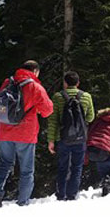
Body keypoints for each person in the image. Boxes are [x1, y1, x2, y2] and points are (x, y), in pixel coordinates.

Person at [0, 60, 53, 207]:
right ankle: (23, 202)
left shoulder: (8, 82)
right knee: (26, 170)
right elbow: (48, 110)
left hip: (5, 131)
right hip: (25, 133)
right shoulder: (35, 86)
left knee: (4, 164)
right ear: (35, 71)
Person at [47, 71, 95, 201]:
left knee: (63, 166)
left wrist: (51, 140)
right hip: (80, 138)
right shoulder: (86, 96)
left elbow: (53, 121)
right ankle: (72, 194)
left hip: (62, 138)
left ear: (65, 83)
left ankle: (61, 194)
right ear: (78, 83)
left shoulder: (58, 97)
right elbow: (90, 118)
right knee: (77, 167)